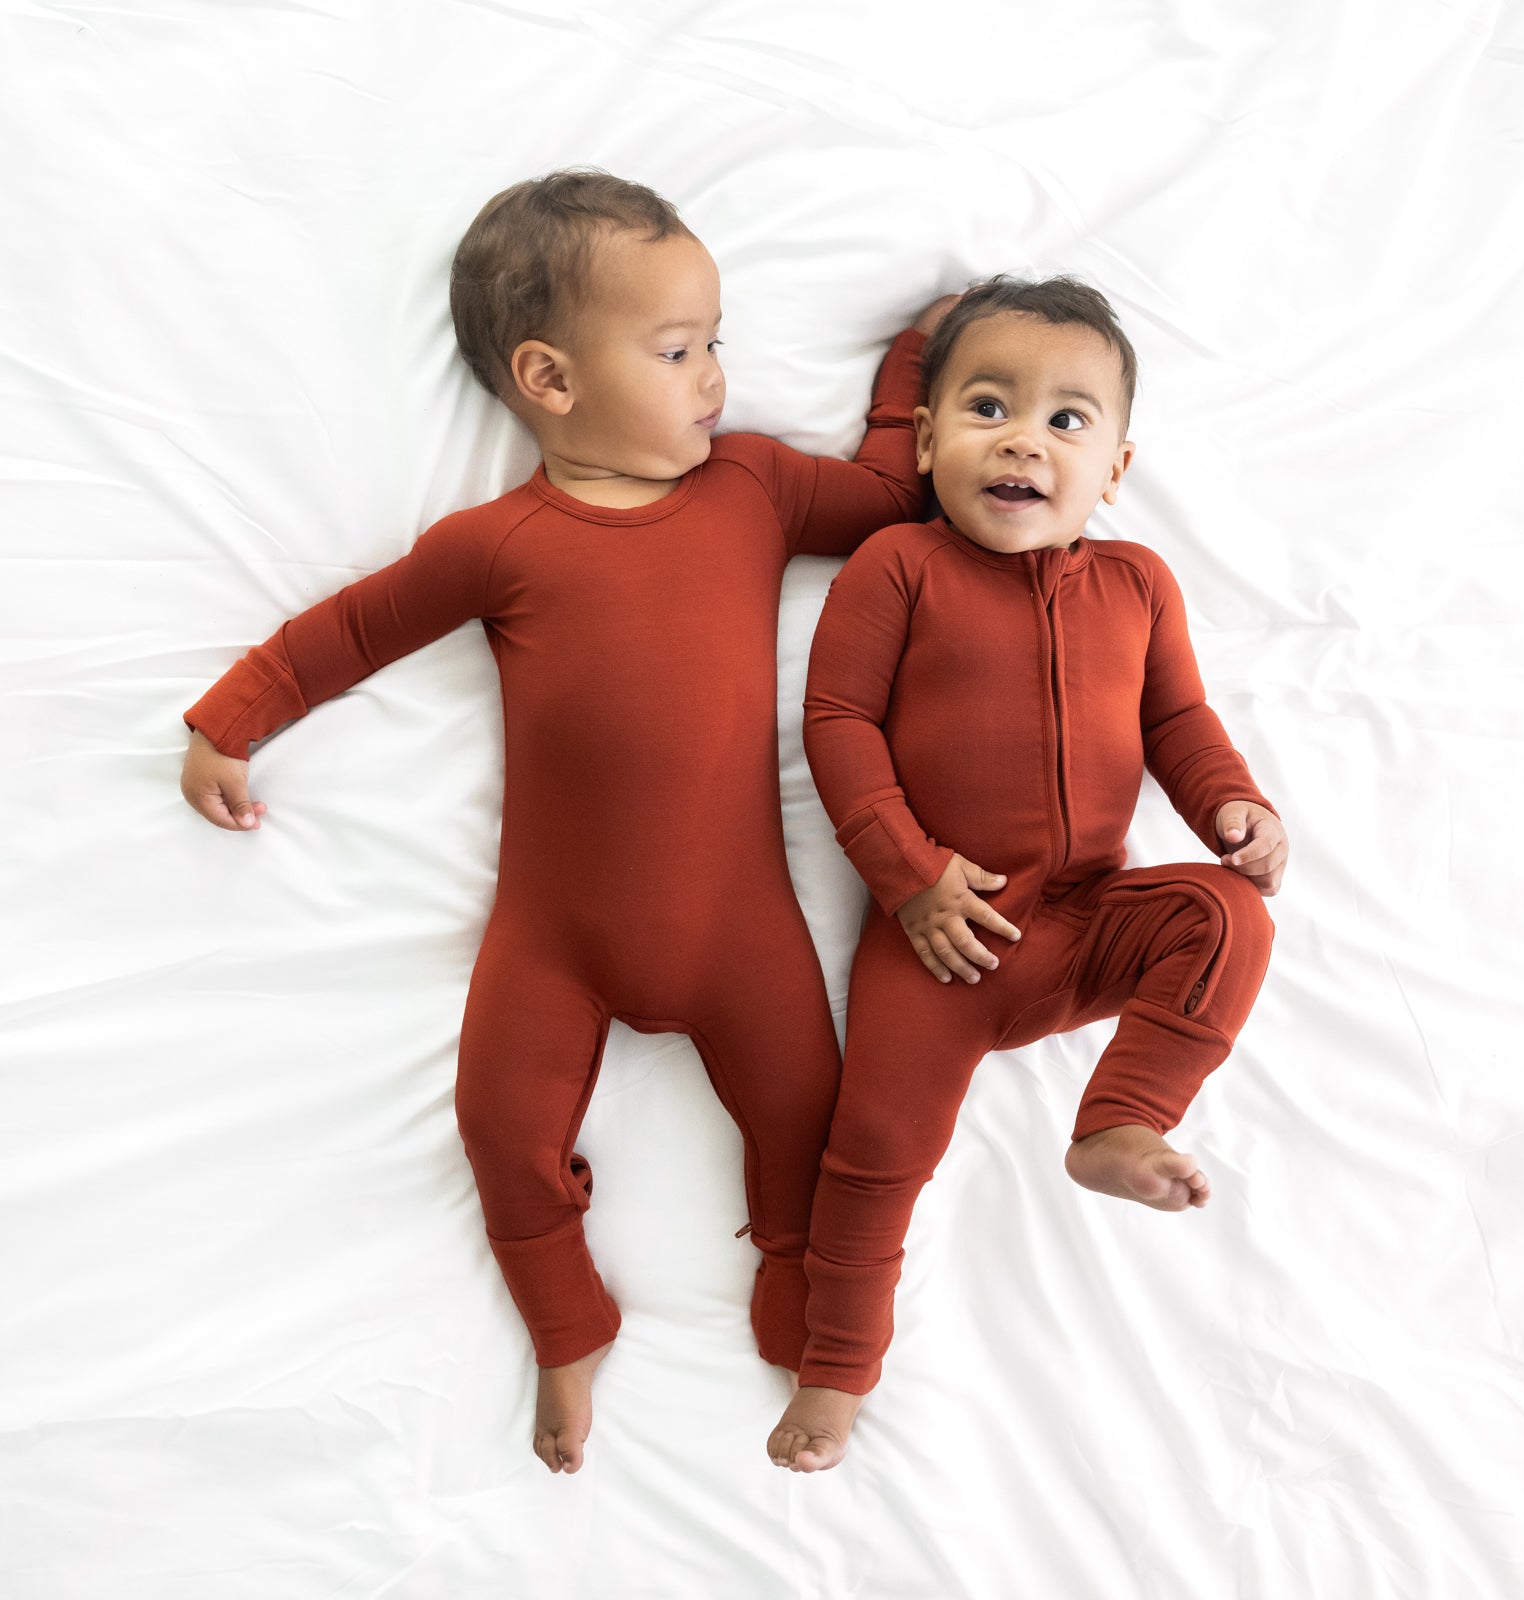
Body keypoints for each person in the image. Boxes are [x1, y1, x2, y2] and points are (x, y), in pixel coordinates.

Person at [180, 167, 952, 1475]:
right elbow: (359, 628)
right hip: (553, 939)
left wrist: (915, 372)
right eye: (675, 349)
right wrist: (233, 716)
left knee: (810, 1123)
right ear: (548, 378)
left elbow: (890, 501)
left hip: (739, 930)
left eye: (717, 342)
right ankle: (565, 1325)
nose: (713, 374)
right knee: (500, 1129)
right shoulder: (499, 544)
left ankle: (795, 1288)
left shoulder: (754, 487)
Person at [768, 275, 1289, 1472]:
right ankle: (837, 1369)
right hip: (939, 940)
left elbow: (1180, 720)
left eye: (1066, 420)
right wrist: (906, 874)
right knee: (870, 1161)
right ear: (934, 436)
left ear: (1113, 467)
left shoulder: (1137, 583)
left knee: (1230, 916)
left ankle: (1119, 1122)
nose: (1021, 438)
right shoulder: (897, 564)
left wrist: (1230, 803)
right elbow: (836, 722)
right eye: (987, 406)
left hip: (1089, 916)